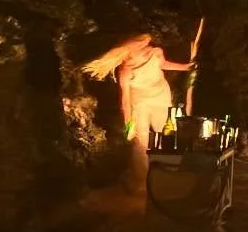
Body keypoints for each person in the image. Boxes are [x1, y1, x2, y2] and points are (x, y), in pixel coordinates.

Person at [82, 34, 195, 196]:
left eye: (145, 45)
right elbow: (125, 100)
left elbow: (163, 64)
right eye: (140, 47)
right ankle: (141, 182)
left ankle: (166, 173)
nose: (145, 48)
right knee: (141, 142)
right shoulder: (125, 71)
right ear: (129, 53)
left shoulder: (155, 53)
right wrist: (129, 124)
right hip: (140, 104)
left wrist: (185, 67)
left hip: (161, 98)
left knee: (167, 134)